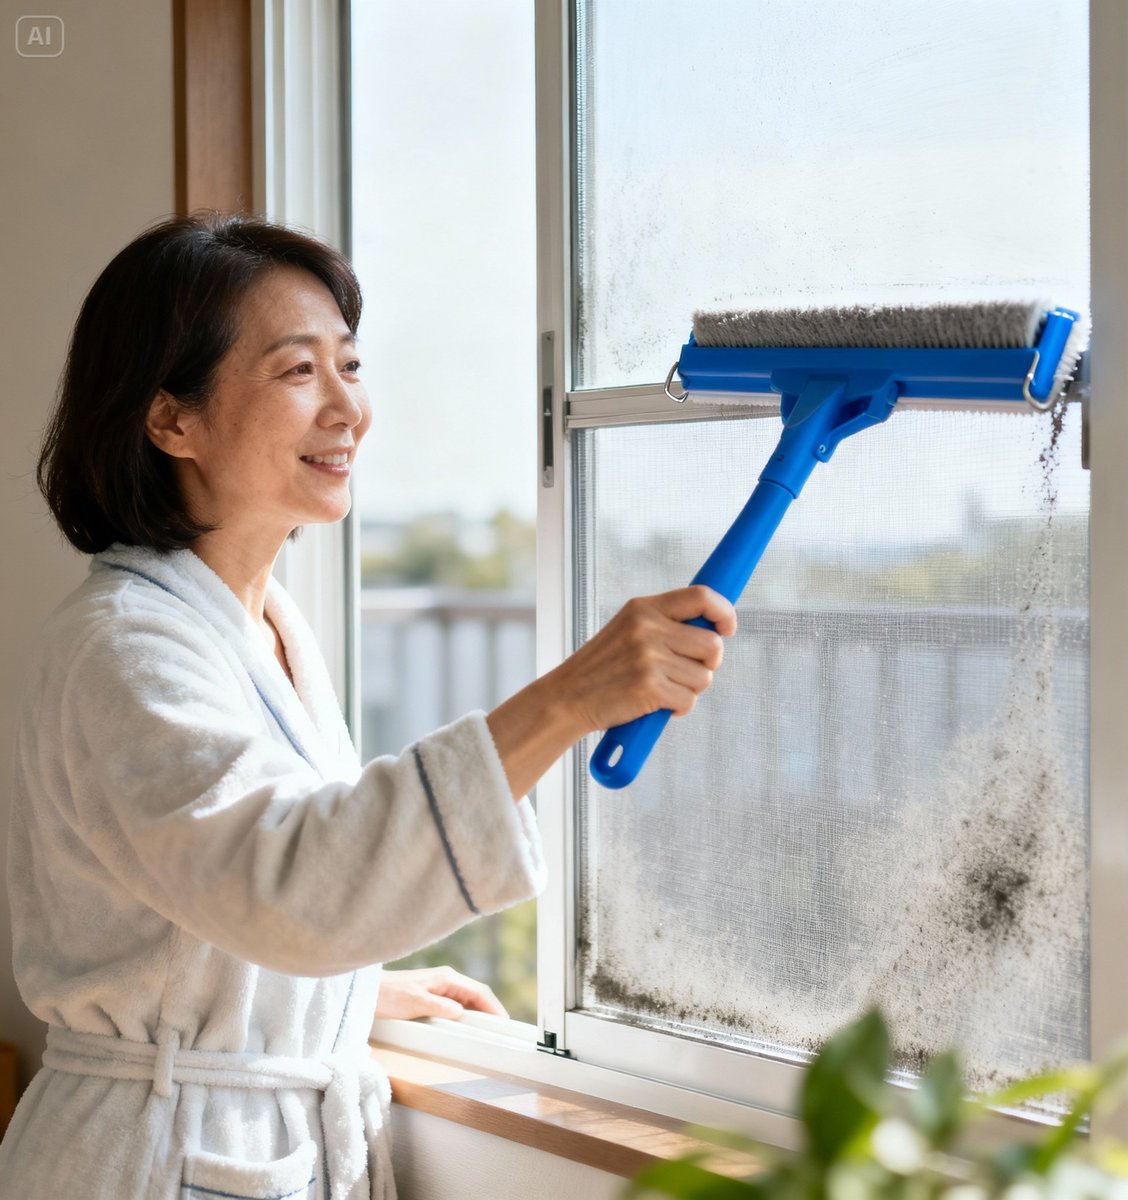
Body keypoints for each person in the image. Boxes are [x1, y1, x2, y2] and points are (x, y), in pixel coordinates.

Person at [0, 213, 736, 1199]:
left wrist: (339, 997)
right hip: (148, 1159)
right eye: (298, 372)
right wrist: (567, 699)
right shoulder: (125, 649)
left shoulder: (265, 626)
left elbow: (200, 899)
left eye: (350, 365)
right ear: (170, 418)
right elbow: (287, 878)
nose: (348, 408)